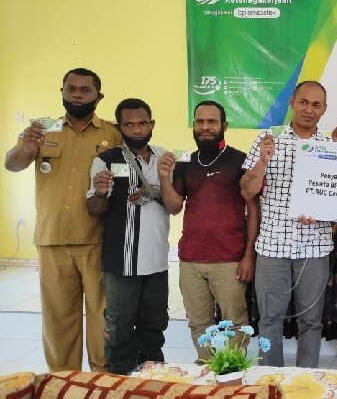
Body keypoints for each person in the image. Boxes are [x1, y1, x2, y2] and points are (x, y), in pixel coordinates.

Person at [4, 68, 121, 372]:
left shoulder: (112, 134)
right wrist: (26, 148)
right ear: (63, 92)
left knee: (102, 320)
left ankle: (102, 383)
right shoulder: (41, 130)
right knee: (58, 321)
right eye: (71, 89)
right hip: (52, 238)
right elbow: (12, 164)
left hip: (98, 240)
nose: (77, 94)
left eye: (85, 90)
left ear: (99, 96)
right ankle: (63, 383)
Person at [240, 80, 337, 368]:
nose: (309, 109)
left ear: (324, 110)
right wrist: (263, 162)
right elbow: (247, 190)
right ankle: (270, 383)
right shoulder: (267, 140)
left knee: (311, 321)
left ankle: (306, 382)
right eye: (304, 102)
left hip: (315, 247)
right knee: (270, 320)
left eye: (316, 105)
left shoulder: (331, 147)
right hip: (272, 245)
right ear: (291, 102)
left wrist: (321, 210)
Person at [157, 100, 251, 361]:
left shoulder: (239, 160)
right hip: (191, 260)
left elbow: (254, 209)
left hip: (229, 259)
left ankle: (233, 375)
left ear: (224, 126)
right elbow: (174, 206)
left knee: (235, 324)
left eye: (212, 121)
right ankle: (208, 373)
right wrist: (164, 177)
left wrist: (248, 256)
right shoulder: (185, 162)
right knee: (199, 324)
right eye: (200, 121)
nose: (205, 127)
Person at [86, 98, 170, 374]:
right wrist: (99, 192)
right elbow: (95, 208)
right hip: (121, 262)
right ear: (119, 127)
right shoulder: (106, 160)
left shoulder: (165, 158)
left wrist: (157, 189)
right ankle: (120, 382)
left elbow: (175, 203)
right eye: (129, 124)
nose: (136, 129)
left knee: (154, 326)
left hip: (157, 261)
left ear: (152, 124)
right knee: (120, 328)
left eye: (142, 123)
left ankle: (155, 381)